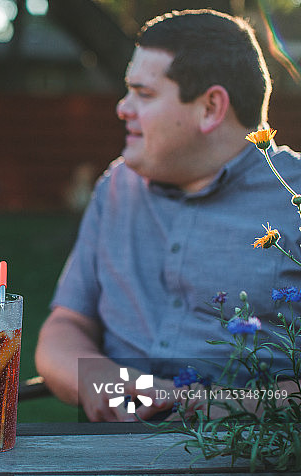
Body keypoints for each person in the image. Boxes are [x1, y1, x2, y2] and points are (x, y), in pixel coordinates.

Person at [35, 9, 301, 422]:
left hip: (257, 465)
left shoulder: (295, 199)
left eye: (143, 93)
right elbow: (64, 326)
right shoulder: (116, 188)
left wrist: (206, 408)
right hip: (110, 459)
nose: (123, 108)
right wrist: (100, 380)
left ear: (211, 107)